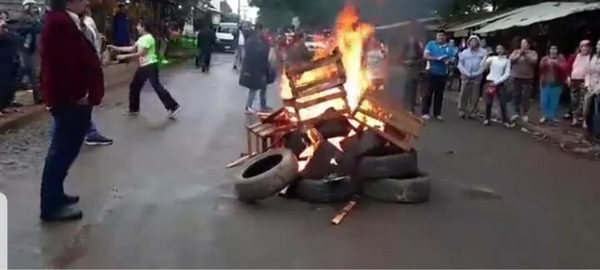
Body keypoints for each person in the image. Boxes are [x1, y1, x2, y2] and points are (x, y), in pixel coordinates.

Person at [40, 0, 105, 221]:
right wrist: (77, 95)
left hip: (72, 99)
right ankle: (50, 204)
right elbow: (61, 66)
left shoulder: (68, 21)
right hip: (69, 100)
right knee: (62, 150)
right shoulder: (60, 23)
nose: (87, 2)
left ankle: (56, 194)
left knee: (67, 149)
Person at [108, 20, 181, 118]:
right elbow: (132, 48)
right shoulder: (141, 38)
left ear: (143, 27)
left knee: (157, 87)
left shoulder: (148, 38)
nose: (137, 28)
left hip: (150, 65)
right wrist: (116, 48)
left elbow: (140, 53)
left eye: (138, 26)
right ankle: (134, 109)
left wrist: (124, 57)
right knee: (135, 86)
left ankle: (173, 106)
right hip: (144, 65)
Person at [79, 6, 113, 146]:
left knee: (84, 103)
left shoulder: (88, 22)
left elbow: (95, 40)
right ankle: (89, 133)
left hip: (90, 65)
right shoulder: (71, 24)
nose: (87, 5)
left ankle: (89, 132)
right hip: (81, 68)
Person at [16, 0, 44, 104]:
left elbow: (41, 28)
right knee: (27, 71)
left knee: (33, 73)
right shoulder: (23, 19)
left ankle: (38, 96)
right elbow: (32, 28)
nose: (34, 8)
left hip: (33, 48)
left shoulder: (35, 19)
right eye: (32, 6)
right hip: (26, 49)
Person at [240, 23, 271, 113]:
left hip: (261, 67)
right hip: (256, 67)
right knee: (254, 88)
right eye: (264, 30)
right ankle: (248, 106)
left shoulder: (257, 39)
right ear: (260, 29)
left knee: (263, 87)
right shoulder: (255, 40)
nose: (265, 32)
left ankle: (263, 105)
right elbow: (254, 54)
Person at [422, 29, 452, 121]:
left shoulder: (449, 47)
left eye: (443, 36)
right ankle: (425, 112)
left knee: (439, 95)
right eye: (439, 35)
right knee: (428, 93)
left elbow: (452, 58)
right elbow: (425, 56)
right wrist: (436, 58)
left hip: (442, 73)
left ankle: (437, 113)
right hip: (431, 72)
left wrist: (448, 61)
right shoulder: (431, 44)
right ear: (436, 36)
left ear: (445, 37)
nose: (441, 37)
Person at [456, 35, 486, 119]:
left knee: (475, 95)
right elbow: (460, 64)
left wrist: (477, 73)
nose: (473, 43)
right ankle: (462, 110)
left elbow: (484, 65)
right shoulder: (465, 52)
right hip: (465, 76)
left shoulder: (483, 52)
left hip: (477, 76)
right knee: (463, 93)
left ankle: (473, 111)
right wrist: (465, 73)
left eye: (475, 41)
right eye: (471, 41)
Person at [509, 38, 538, 122]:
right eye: (522, 43)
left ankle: (525, 113)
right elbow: (511, 59)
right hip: (516, 77)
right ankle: (516, 112)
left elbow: (534, 61)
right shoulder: (516, 51)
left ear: (529, 45)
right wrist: (519, 55)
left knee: (525, 96)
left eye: (525, 43)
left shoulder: (532, 53)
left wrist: (526, 54)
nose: (523, 45)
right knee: (516, 95)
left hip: (527, 78)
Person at [483, 44, 511, 127]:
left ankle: (505, 120)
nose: (499, 50)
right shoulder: (493, 58)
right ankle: (487, 118)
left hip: (500, 82)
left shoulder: (507, 61)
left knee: (502, 102)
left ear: (504, 50)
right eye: (497, 48)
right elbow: (483, 65)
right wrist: (486, 56)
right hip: (490, 81)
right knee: (489, 102)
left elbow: (507, 74)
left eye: (501, 48)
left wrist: (497, 81)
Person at [565, 40, 592, 127]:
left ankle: (583, 119)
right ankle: (574, 118)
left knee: (583, 101)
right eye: (583, 46)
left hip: (584, 81)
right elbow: (568, 67)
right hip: (573, 80)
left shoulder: (591, 57)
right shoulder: (574, 56)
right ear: (580, 47)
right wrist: (568, 77)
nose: (584, 48)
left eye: (586, 46)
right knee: (574, 101)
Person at [538, 45, 566, 124]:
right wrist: (547, 64)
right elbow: (540, 68)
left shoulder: (561, 59)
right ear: (549, 50)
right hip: (545, 82)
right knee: (544, 100)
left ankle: (552, 116)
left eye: (555, 49)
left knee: (554, 101)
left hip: (557, 83)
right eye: (551, 49)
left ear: (557, 50)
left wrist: (556, 65)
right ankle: (544, 115)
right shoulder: (545, 59)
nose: (553, 51)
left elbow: (564, 69)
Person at [0, 10, 21, 116]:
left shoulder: (9, 29)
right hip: (2, 60)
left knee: (8, 84)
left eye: (4, 18)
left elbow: (16, 38)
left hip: (10, 59)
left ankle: (4, 105)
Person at [401, 34, 424, 113]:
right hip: (405, 71)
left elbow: (422, 60)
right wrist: (404, 62)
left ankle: (411, 108)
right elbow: (400, 58)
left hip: (414, 71)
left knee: (413, 90)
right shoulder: (405, 49)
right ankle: (404, 107)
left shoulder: (418, 50)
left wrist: (413, 62)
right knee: (406, 89)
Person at [583, 40, 600, 133]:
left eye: (599, 45)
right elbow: (588, 72)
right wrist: (588, 85)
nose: (598, 47)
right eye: (597, 44)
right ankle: (589, 129)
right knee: (587, 110)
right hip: (590, 87)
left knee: (597, 111)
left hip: (598, 89)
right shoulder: (593, 57)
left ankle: (597, 133)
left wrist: (596, 90)